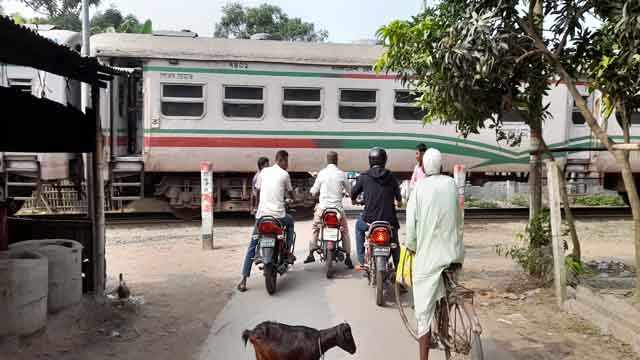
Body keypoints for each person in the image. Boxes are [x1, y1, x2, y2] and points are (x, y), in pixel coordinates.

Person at [405, 148, 464, 360]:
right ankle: (445, 325)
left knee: (424, 310)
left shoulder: (419, 189)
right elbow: (459, 218)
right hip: (453, 254)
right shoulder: (451, 184)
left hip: (429, 258)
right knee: (447, 292)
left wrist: (411, 246)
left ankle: (423, 357)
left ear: (424, 167)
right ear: (440, 166)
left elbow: (411, 226)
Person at [237, 150, 296, 292]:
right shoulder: (284, 174)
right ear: (280, 160)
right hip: (278, 217)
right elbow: (290, 193)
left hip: (262, 217)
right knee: (291, 222)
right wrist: (292, 200)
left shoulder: (263, 172)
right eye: (286, 161)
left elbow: (256, 190)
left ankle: (244, 280)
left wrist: (258, 206)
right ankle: (287, 251)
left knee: (252, 246)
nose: (287, 165)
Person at [350, 147, 402, 270]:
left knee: (358, 226)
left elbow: (353, 193)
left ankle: (363, 260)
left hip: (369, 221)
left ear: (370, 160)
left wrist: (354, 200)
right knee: (395, 242)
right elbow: (398, 197)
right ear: (384, 160)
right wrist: (398, 202)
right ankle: (399, 271)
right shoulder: (391, 176)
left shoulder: (364, 176)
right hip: (389, 221)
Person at [304, 151, 354, 269]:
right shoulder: (341, 174)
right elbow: (350, 191)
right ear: (337, 160)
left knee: (315, 228)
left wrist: (312, 193)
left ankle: (311, 253)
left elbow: (314, 190)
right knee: (344, 231)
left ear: (327, 161)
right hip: (337, 211)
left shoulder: (321, 173)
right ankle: (348, 257)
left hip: (323, 209)